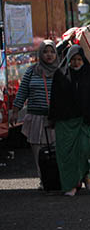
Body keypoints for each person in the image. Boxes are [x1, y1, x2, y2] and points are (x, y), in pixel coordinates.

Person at [48, 46, 90, 196]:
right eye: (73, 60)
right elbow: (54, 99)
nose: (76, 63)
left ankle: (87, 176)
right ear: (67, 59)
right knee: (67, 156)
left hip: (85, 121)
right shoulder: (60, 75)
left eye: (79, 59)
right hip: (65, 122)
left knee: (88, 150)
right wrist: (52, 119)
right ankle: (71, 185)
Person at [10, 40, 59, 188]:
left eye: (51, 51)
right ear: (40, 54)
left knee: (57, 151)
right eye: (45, 51)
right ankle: (43, 180)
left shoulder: (61, 71)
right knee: (38, 152)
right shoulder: (32, 71)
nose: (49, 55)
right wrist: (15, 111)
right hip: (36, 117)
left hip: (56, 119)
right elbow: (22, 91)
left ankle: (56, 179)